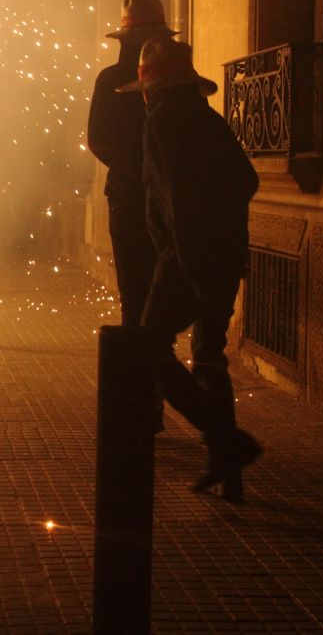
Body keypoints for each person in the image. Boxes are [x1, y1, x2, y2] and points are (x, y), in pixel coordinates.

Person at [117, 38, 262, 501]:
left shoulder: (160, 123)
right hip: (222, 254)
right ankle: (229, 468)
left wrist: (186, 263)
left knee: (146, 348)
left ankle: (227, 442)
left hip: (186, 259)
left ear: (150, 89)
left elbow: (175, 203)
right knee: (208, 353)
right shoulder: (208, 119)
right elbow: (246, 179)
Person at [87, 0, 177, 326]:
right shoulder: (111, 80)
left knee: (150, 295)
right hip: (133, 196)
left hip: (159, 198)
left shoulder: (170, 79)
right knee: (139, 294)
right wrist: (138, 168)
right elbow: (97, 139)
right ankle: (144, 366)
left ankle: (145, 365)